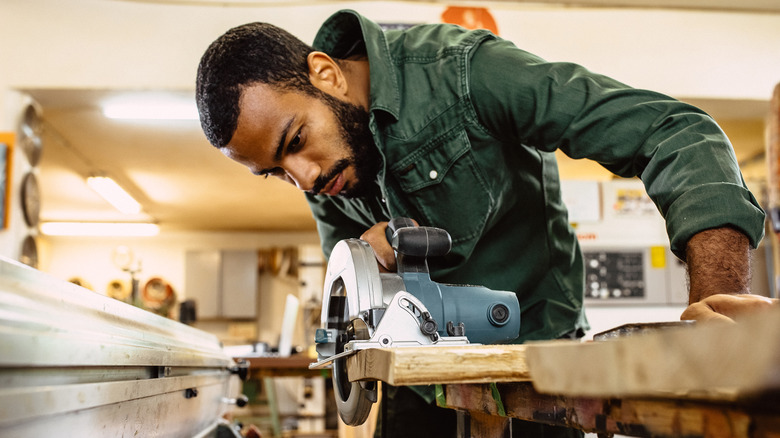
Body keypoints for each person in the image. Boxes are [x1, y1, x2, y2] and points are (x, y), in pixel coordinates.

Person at [196, 9, 777, 437]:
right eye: (276, 173)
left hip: (539, 371)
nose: (303, 178)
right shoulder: (325, 167)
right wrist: (359, 254)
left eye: (295, 142)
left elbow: (675, 133)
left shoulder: (465, 73)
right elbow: (347, 282)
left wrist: (719, 301)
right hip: (418, 382)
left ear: (325, 73)